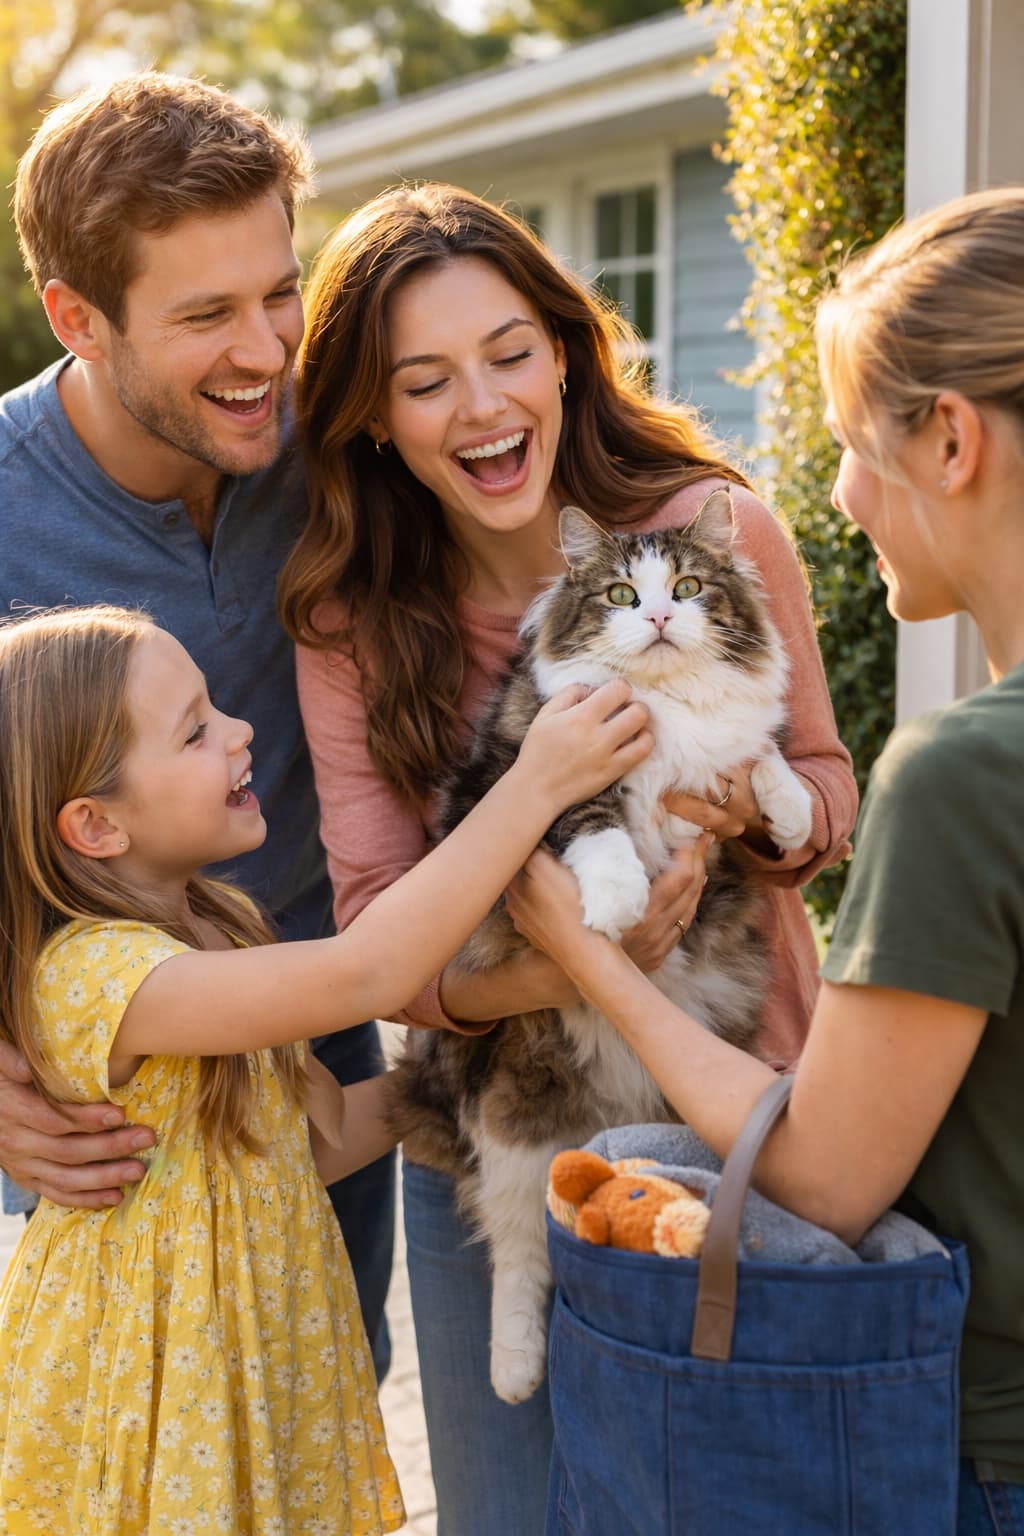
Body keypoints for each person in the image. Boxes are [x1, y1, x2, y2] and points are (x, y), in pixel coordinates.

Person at [278, 182, 858, 1534]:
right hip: (500, 1127)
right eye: (425, 382)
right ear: (373, 416)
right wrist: (570, 962)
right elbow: (383, 942)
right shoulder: (352, 618)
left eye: (509, 355)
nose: (482, 407)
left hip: (733, 1104)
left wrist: (749, 814)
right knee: (507, 1512)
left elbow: (826, 793)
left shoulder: (709, 533)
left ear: (563, 353)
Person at [504, 186, 1024, 1534]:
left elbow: (824, 1174)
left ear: (951, 439)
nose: (839, 494)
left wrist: (587, 961)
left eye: (850, 443)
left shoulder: (968, 777)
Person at [0, 603, 650, 1533]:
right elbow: (368, 972)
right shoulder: (101, 977)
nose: (240, 731)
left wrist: (526, 1038)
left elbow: (315, 1139)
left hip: (260, 1357)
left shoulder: (220, 928)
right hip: (148, 1378)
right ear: (96, 825)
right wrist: (534, 786)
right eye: (195, 731)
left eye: (217, 707)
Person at [0, 72, 394, 1374]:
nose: (267, 350)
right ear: (79, 318)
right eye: (207, 314)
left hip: (321, 1036)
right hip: (97, 1109)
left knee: (323, 1424)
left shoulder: (340, 440)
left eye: (280, 292)